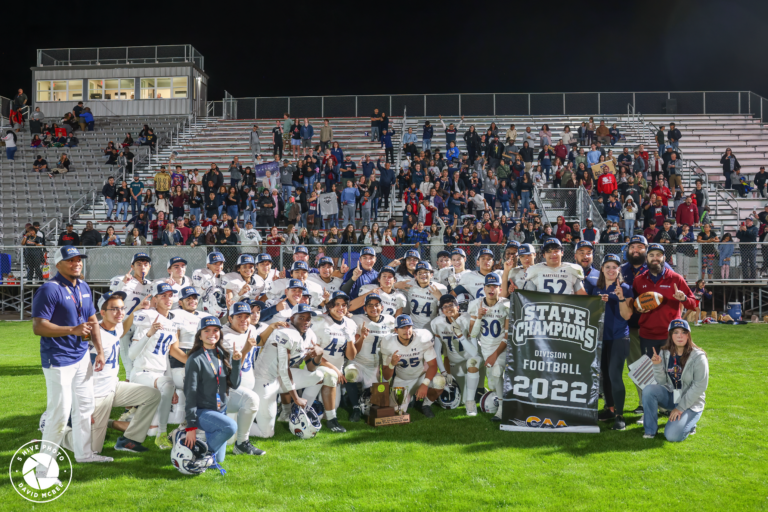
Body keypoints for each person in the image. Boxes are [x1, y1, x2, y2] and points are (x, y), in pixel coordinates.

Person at [32, 246, 112, 466]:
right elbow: (39, 327)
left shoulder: (83, 286)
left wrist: (100, 351)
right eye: (70, 260)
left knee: (85, 408)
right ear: (58, 264)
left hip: (81, 356)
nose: (76, 263)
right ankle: (43, 468)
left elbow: (92, 320)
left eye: (79, 259)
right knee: (59, 414)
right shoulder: (50, 288)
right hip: (58, 358)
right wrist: (72, 330)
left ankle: (84, 455)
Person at [60, 291, 160, 454]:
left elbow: (123, 328)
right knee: (92, 450)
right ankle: (60, 431)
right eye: (114, 309)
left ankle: (128, 439)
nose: (120, 313)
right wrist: (82, 404)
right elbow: (75, 367)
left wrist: (135, 310)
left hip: (113, 387)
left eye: (122, 308)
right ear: (102, 312)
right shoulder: (91, 333)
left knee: (152, 395)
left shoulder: (116, 326)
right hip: (96, 394)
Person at [183, 316, 241, 470]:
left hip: (220, 412)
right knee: (230, 427)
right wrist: (191, 426)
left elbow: (234, 384)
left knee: (218, 460)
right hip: (202, 412)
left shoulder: (221, 354)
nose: (212, 333)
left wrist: (236, 363)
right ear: (200, 335)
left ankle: (203, 451)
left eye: (216, 330)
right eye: (206, 330)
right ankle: (197, 453)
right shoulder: (195, 359)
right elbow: (190, 393)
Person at [643, 319, 708, 441]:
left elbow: (700, 386)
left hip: (691, 402)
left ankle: (689, 424)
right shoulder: (665, 352)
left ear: (688, 335)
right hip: (673, 396)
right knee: (649, 390)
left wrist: (680, 408)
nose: (680, 336)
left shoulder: (699, 357)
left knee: (672, 436)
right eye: (676, 332)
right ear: (670, 335)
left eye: (684, 332)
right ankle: (650, 431)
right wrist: (657, 365)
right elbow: (662, 382)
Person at [632, 244, 697, 361]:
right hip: (647, 335)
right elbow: (634, 306)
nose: (655, 258)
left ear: (664, 258)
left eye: (658, 255)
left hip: (671, 335)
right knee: (650, 375)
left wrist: (684, 299)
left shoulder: (676, 279)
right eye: (651, 255)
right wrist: (638, 309)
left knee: (673, 373)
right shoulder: (639, 280)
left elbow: (693, 304)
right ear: (646, 258)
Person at [592, 254, 634, 430]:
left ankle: (619, 415)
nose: (611, 270)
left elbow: (627, 315)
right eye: (607, 266)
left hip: (618, 337)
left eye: (614, 267)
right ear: (602, 269)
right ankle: (609, 408)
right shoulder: (596, 289)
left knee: (615, 375)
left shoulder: (626, 288)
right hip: (601, 338)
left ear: (619, 270)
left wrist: (621, 298)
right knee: (604, 376)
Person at [380, 315, 443, 419]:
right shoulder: (388, 343)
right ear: (396, 330)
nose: (407, 330)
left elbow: (433, 365)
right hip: (402, 380)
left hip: (421, 376)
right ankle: (410, 398)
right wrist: (392, 364)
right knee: (397, 414)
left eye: (409, 327)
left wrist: (425, 384)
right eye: (403, 327)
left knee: (439, 381)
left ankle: (426, 405)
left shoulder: (422, 338)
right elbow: (386, 376)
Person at [468, 274, 510, 421]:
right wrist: (479, 317)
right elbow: (472, 334)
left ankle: (502, 410)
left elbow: (507, 335)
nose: (491, 289)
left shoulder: (506, 305)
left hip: (503, 347)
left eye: (495, 286)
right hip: (486, 348)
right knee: (493, 383)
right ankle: (503, 402)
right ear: (484, 288)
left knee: (498, 370)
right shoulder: (476, 304)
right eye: (489, 286)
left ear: (500, 288)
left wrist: (495, 354)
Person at [430, 294, 479, 414]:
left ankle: (470, 403)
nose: (448, 308)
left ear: (458, 306)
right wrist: (444, 372)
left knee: (473, 362)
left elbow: (474, 352)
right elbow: (437, 350)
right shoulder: (437, 323)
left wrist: (461, 336)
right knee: (459, 397)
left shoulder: (467, 319)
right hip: (454, 363)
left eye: (451, 305)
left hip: (471, 359)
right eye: (445, 306)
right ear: (441, 310)